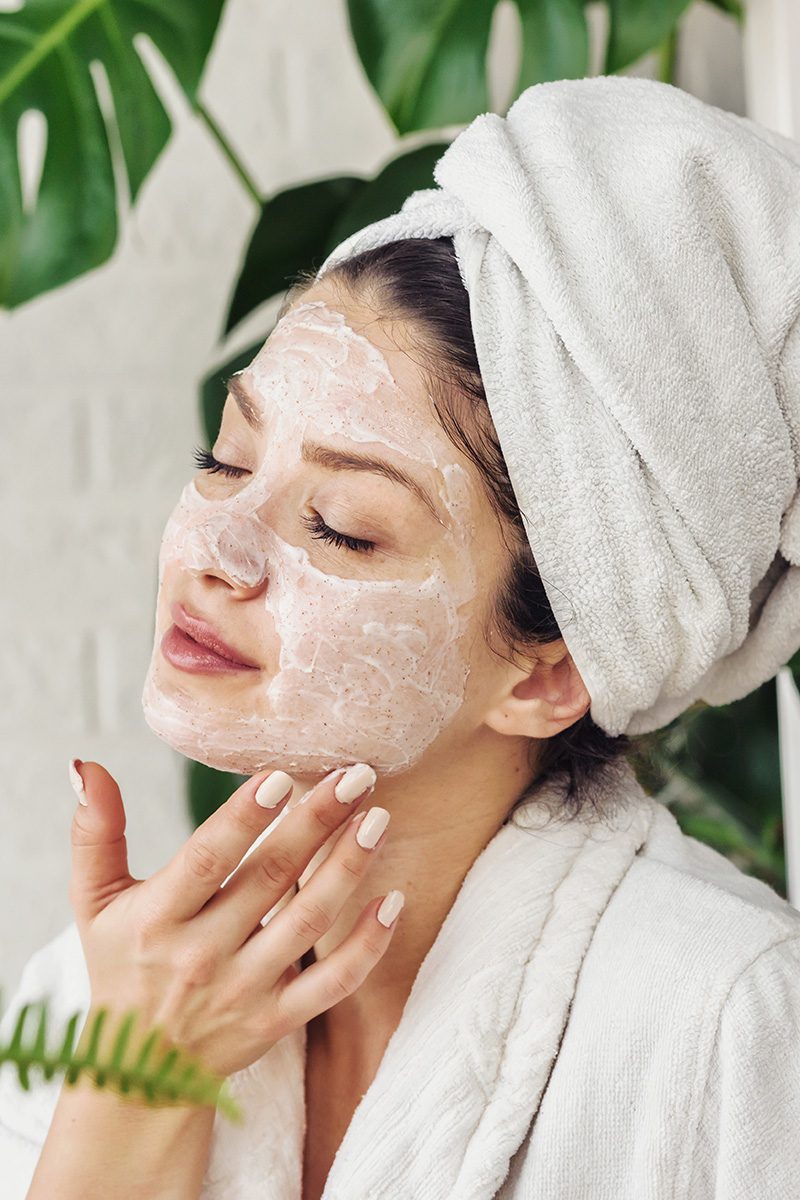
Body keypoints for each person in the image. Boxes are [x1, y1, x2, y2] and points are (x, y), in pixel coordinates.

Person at [2, 75, 800, 1200]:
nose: (214, 547)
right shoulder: (105, 992)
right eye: (226, 459)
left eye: (342, 526)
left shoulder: (727, 1027)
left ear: (549, 674)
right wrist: (136, 1083)